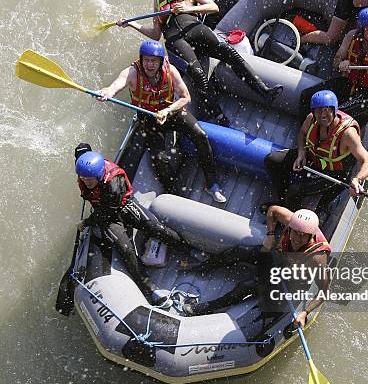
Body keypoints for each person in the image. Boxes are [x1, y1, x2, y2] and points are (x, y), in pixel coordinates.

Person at [117, 0, 282, 124]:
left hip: (194, 28)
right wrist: (132, 24)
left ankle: (264, 91)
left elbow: (213, 7)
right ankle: (217, 114)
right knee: (197, 74)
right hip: (175, 39)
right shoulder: (158, 0)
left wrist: (189, 8)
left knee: (230, 53)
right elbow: (155, 34)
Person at [97, 39, 226, 203]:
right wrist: (108, 91)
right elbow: (117, 84)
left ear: (160, 61)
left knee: (201, 136)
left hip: (171, 112)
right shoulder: (132, 72)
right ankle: (176, 192)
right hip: (150, 120)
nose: (149, 65)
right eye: (146, 60)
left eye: (154, 61)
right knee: (159, 161)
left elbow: (186, 97)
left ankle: (211, 183)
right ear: (141, 59)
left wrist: (167, 110)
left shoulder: (170, 70)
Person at [184, 207, 330, 329]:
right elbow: (272, 210)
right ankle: (203, 267)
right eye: (295, 233)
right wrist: (271, 235)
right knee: (238, 252)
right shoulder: (290, 220)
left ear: (310, 236)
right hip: (277, 259)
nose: (297, 239)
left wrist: (305, 312)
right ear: (290, 227)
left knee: (246, 286)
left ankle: (206, 307)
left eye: (303, 236)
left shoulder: (317, 258)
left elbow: (324, 292)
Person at [75, 150, 187, 304]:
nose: (86, 182)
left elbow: (107, 212)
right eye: (83, 178)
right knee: (126, 250)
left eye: (89, 179)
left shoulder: (113, 184)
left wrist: (86, 222)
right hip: (109, 218)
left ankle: (185, 248)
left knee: (155, 228)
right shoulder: (86, 173)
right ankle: (148, 285)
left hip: (121, 207)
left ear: (99, 174)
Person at [266, 90, 368, 211]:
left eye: (326, 110)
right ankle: (282, 201)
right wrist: (301, 154)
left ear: (334, 110)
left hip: (333, 173)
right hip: (312, 158)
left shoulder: (348, 133)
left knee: (295, 191)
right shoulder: (311, 119)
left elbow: (367, 162)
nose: (323, 115)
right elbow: (302, 133)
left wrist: (357, 179)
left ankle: (292, 216)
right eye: (318, 111)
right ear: (313, 111)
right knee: (271, 160)